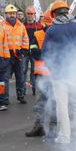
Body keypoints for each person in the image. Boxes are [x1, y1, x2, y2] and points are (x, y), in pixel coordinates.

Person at [42, 0, 76, 144]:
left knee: (62, 106)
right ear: (67, 11)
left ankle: (65, 136)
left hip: (59, 74)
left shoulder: (51, 30)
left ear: (54, 14)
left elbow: (46, 53)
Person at [25, 9, 56, 137]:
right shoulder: (37, 35)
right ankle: (39, 127)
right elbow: (33, 51)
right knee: (41, 102)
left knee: (54, 101)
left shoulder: (57, 34)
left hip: (55, 74)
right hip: (42, 74)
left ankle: (53, 128)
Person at [2, 4, 29, 104]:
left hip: (18, 55)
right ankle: (5, 97)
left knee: (20, 77)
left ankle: (21, 95)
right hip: (6, 55)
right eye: (10, 13)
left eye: (13, 13)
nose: (12, 15)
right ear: (6, 14)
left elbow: (25, 39)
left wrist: (24, 51)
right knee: (5, 77)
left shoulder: (21, 26)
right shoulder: (1, 25)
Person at [24, 6, 43, 95]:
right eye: (28, 14)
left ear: (34, 15)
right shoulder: (22, 26)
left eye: (32, 14)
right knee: (23, 70)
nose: (30, 16)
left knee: (34, 70)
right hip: (24, 51)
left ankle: (33, 87)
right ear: (26, 14)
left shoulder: (39, 26)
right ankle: (22, 89)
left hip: (35, 52)